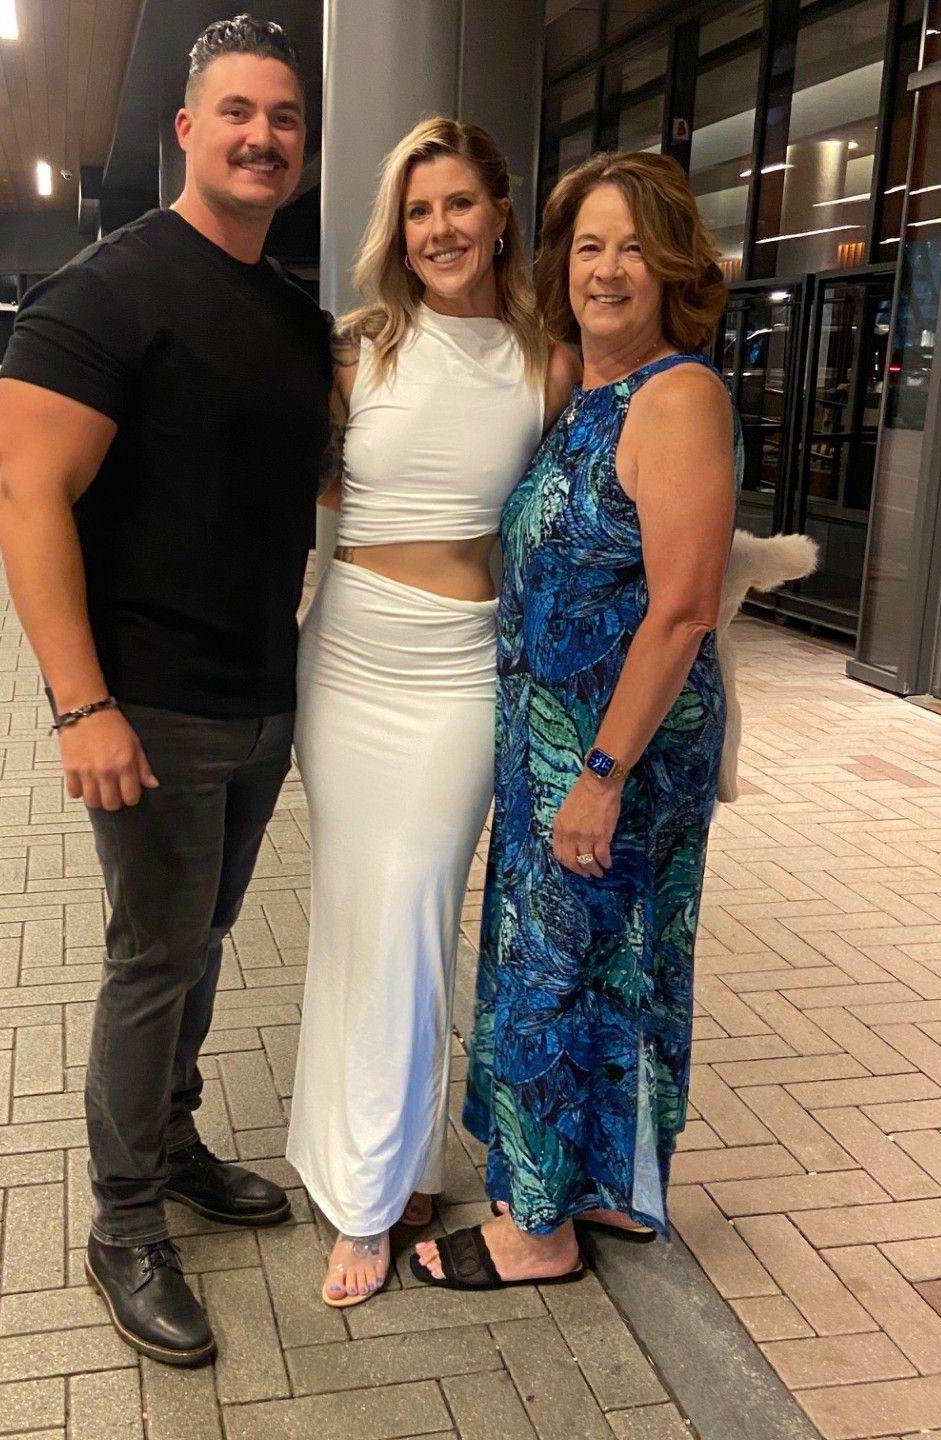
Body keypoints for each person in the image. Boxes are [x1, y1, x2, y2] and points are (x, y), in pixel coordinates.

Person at [0, 16, 331, 1365]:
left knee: (200, 943)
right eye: (237, 112)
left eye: (285, 118)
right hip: (149, 712)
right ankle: (123, 1222)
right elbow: (28, 501)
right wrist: (82, 706)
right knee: (153, 959)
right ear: (186, 130)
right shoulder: (103, 294)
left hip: (263, 700)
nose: (263, 136)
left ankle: (175, 1141)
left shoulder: (294, 316)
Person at [413, 150, 739, 1291]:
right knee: (610, 968)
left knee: (559, 971)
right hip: (561, 740)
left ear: (674, 267)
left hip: (612, 751)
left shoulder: (677, 396)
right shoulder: (588, 393)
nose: (607, 270)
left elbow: (684, 607)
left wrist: (599, 774)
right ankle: (610, 1188)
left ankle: (538, 1230)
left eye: (634, 248)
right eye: (589, 246)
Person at [287, 118, 577, 1307]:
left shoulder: (547, 359)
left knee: (413, 910)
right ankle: (386, 1174)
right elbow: (314, 481)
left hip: (461, 668)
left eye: (459, 204)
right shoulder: (358, 350)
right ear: (396, 231)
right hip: (351, 657)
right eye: (418, 211)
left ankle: (369, 1191)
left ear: (499, 214)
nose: (440, 228)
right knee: (359, 918)